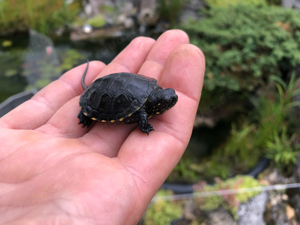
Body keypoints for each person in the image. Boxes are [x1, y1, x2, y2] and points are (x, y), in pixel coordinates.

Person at [0, 29, 205, 224]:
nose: (172, 99)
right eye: (169, 101)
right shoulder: (144, 109)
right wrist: (144, 125)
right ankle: (87, 111)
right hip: (106, 91)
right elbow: (143, 114)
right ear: (159, 104)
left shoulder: (153, 92)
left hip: (127, 85)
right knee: (90, 112)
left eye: (170, 98)